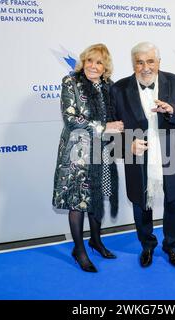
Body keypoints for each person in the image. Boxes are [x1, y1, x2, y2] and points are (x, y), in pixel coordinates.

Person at [110, 42, 175, 268]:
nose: (145, 67)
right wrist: (127, 145)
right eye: (139, 62)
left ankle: (171, 247)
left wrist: (173, 110)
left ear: (158, 62)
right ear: (133, 64)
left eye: (150, 61)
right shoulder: (118, 89)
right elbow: (109, 129)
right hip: (137, 156)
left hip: (170, 153)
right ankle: (147, 246)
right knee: (141, 204)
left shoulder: (174, 81)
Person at [52, 43, 124, 273]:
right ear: (83, 62)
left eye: (99, 62)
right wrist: (105, 126)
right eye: (90, 61)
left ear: (106, 67)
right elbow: (71, 119)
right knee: (77, 199)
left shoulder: (109, 87)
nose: (93, 66)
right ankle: (79, 250)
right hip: (77, 151)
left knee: (97, 195)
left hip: (102, 150)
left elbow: (118, 117)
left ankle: (96, 240)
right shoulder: (70, 82)